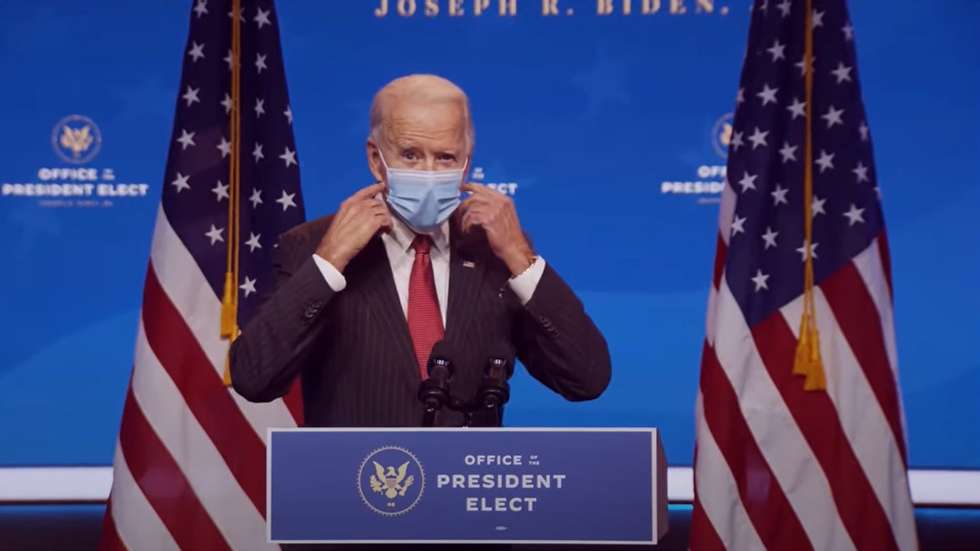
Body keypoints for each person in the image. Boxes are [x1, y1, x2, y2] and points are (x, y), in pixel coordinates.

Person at [231, 74, 610, 426]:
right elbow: (253, 379)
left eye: (445, 157)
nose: (429, 173)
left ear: (466, 163)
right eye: (411, 155)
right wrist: (328, 263)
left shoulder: (496, 250)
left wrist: (520, 260)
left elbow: (586, 379)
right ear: (376, 159)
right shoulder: (313, 245)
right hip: (356, 487)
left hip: (469, 488)